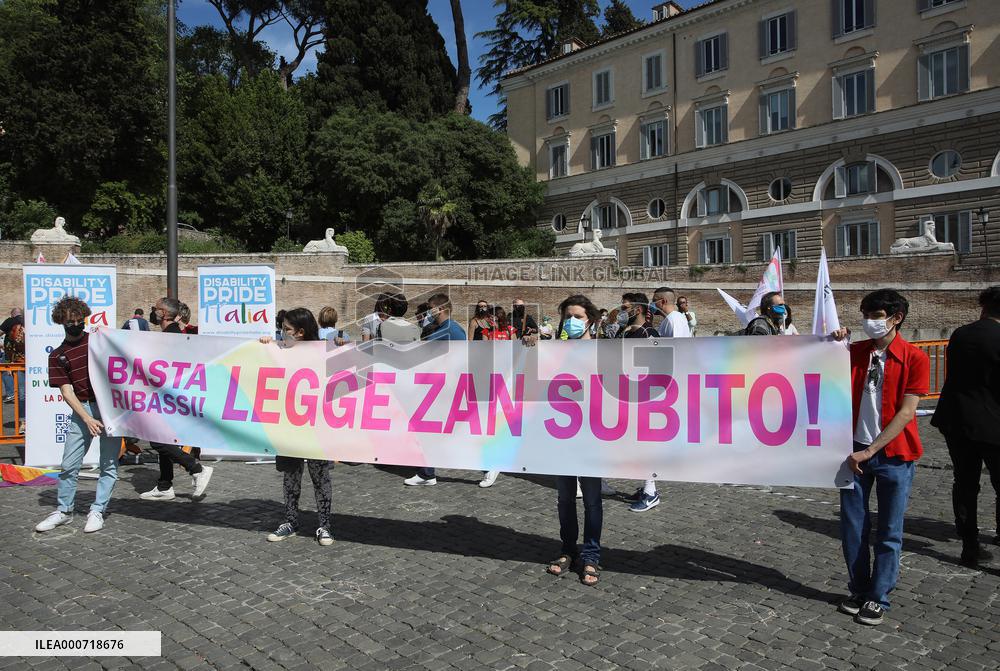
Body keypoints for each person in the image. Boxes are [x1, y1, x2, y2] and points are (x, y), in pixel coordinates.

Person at [832, 289, 929, 626]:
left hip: (893, 456)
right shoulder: (855, 352)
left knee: (889, 531)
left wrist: (871, 450)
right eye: (865, 315)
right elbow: (817, 364)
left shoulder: (915, 358)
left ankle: (878, 597)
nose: (868, 322)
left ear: (895, 318)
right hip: (853, 453)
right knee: (853, 528)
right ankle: (859, 588)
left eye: (874, 315)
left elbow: (906, 413)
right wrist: (832, 341)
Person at [523, 294, 603, 586]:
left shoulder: (604, 351)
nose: (572, 320)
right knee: (565, 498)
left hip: (594, 435)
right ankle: (568, 549)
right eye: (568, 315)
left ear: (590, 320)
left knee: (593, 500)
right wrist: (532, 347)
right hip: (562, 435)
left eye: (578, 316)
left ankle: (591, 555)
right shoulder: (552, 350)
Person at [34, 296, 119, 534]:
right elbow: (66, 391)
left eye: (79, 320)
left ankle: (97, 510)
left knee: (109, 464)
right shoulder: (57, 356)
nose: (75, 324)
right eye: (70, 321)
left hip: (111, 408)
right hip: (84, 409)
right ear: (61, 322)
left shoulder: (99, 342)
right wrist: (87, 418)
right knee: (69, 465)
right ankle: (64, 511)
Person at [931, 286, 1000, 567]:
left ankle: (969, 544)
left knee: (965, 482)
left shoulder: (961, 334)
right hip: (994, 422)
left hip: (957, 420)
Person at [259, 308, 334, 546]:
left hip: (316, 427)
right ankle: (291, 521)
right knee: (291, 476)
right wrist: (265, 345)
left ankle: (324, 526)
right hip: (289, 424)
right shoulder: (280, 350)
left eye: (286, 330)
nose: (282, 333)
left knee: (320, 477)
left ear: (301, 332)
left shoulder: (325, 353)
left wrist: (343, 344)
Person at [139, 297, 214, 501]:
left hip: (169, 397)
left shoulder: (171, 336)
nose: (153, 311)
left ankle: (196, 468)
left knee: (156, 439)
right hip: (167, 396)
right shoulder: (171, 334)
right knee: (163, 438)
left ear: (163, 313)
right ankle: (164, 486)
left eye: (156, 309)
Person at [404, 293, 466, 486]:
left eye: (430, 308)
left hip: (444, 388)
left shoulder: (445, 330)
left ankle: (426, 473)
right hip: (444, 386)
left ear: (439, 309)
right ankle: (426, 472)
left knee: (427, 427)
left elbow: (420, 351)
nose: (428, 312)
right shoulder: (452, 328)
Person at [620, 293, 672, 512]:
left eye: (626, 307)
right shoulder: (627, 332)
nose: (623, 311)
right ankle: (645, 486)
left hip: (645, 397)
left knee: (644, 445)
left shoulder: (649, 333)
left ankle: (651, 491)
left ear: (638, 309)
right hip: (627, 394)